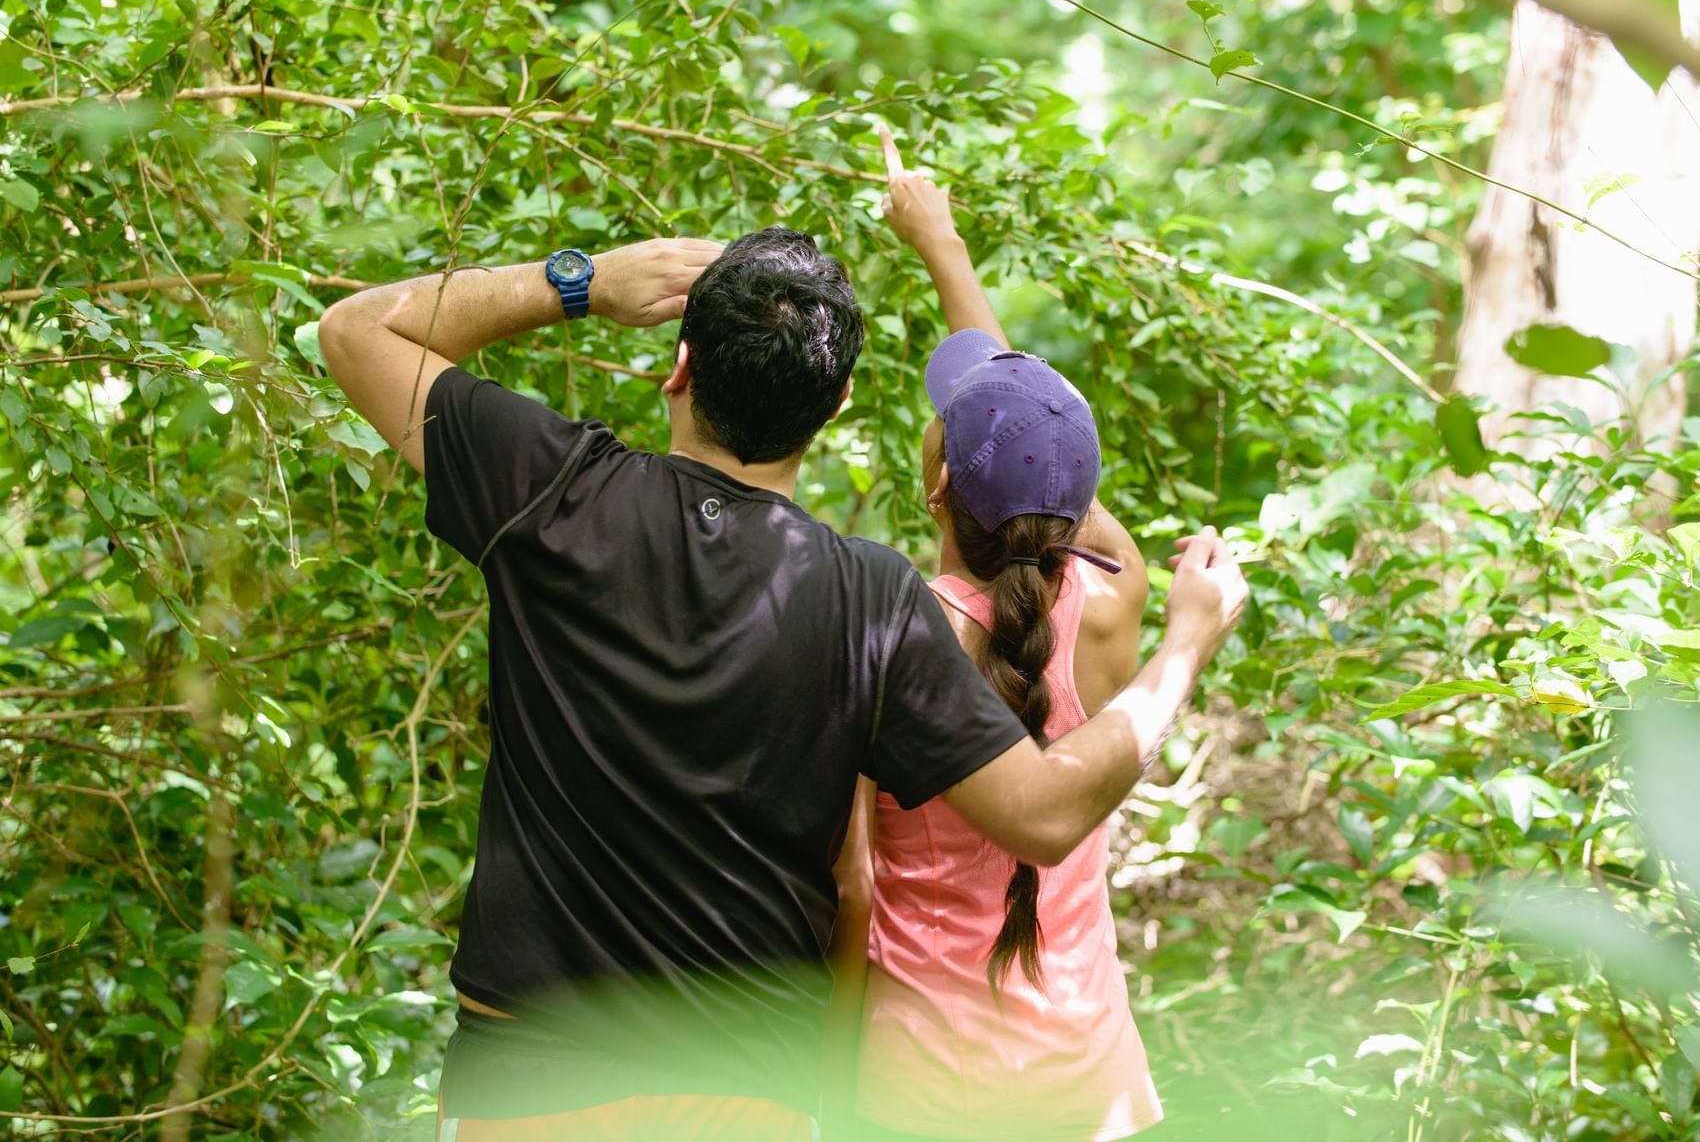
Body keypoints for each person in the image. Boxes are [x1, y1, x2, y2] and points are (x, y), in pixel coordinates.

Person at [316, 217, 1247, 1141]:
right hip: (744, 1093)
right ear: (836, 403)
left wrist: (586, 281)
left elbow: (357, 331)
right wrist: (1183, 649)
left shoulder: (551, 491)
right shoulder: (871, 601)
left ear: (677, 365)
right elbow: (1041, 815)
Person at [825, 128, 1234, 1142]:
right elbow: (1034, 439)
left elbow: (853, 884)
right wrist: (943, 247)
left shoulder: (892, 636)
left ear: (933, 488)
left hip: (923, 1089)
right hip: (1085, 1079)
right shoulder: (1114, 591)